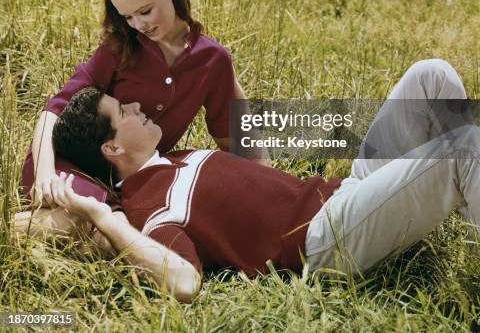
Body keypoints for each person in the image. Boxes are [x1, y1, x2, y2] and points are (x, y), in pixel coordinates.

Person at [18, 58, 480, 301]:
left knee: (431, 77)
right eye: (124, 112)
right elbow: (183, 284)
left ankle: (467, 209)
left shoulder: (177, 156)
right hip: (331, 238)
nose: (137, 107)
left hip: (346, 190)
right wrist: (100, 214)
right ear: (112, 149)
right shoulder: (149, 211)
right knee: (462, 147)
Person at [22, 0, 269, 219]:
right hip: (70, 168)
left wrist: (271, 189)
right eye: (128, 17)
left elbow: (238, 140)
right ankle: (18, 229)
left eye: (145, 11)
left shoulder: (212, 59)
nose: (139, 25)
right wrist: (44, 170)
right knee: (99, 222)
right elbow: (54, 110)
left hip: (137, 176)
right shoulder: (120, 48)